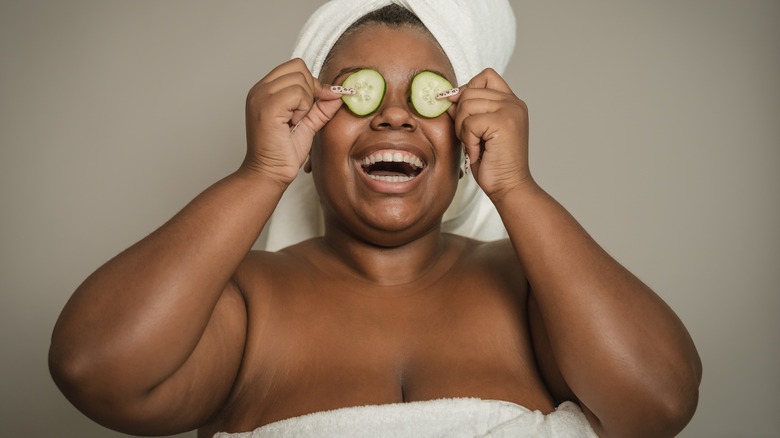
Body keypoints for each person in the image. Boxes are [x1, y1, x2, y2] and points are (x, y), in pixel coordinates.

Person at [49, 1, 702, 437]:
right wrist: (259, 174)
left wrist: (517, 187)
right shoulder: (246, 301)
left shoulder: (535, 289)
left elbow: (661, 402)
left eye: (429, 94)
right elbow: (94, 368)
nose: (394, 115)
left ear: (471, 141)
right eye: (359, 91)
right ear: (306, 138)